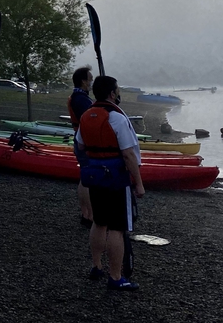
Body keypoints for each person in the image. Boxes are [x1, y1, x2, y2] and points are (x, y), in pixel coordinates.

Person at [76, 75, 145, 289]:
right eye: (117, 90)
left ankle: (97, 266)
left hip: (95, 177)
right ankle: (115, 277)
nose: (118, 93)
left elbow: (79, 147)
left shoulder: (87, 115)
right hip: (116, 179)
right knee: (116, 228)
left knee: (99, 222)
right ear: (112, 93)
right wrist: (139, 183)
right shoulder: (117, 117)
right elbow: (128, 155)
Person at [68, 66, 95, 227]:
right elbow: (89, 121)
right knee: (87, 178)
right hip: (84, 141)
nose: (91, 82)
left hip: (80, 139)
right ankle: (88, 214)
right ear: (83, 81)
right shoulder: (80, 99)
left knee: (84, 177)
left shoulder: (80, 97)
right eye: (90, 79)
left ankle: (87, 213)